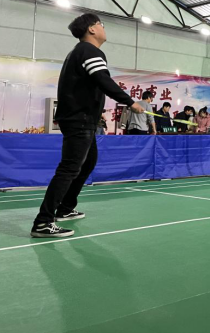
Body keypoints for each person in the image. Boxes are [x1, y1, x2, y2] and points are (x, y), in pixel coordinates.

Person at [31, 13, 144, 239]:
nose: (104, 28)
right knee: (69, 168)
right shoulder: (89, 51)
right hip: (79, 119)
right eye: (101, 24)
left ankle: (65, 207)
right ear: (92, 29)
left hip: (83, 120)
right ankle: (43, 222)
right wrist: (130, 102)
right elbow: (103, 79)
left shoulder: (80, 52)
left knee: (88, 162)